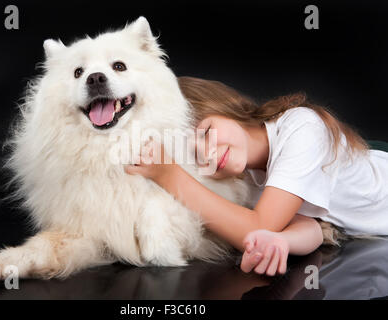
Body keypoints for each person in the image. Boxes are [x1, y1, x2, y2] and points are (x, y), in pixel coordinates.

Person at [125, 76, 388, 276]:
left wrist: (169, 176)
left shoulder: (302, 128)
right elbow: (312, 227)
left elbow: (258, 224)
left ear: (225, 109)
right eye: (195, 156)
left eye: (206, 132)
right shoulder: (245, 182)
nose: (208, 155)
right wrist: (280, 241)